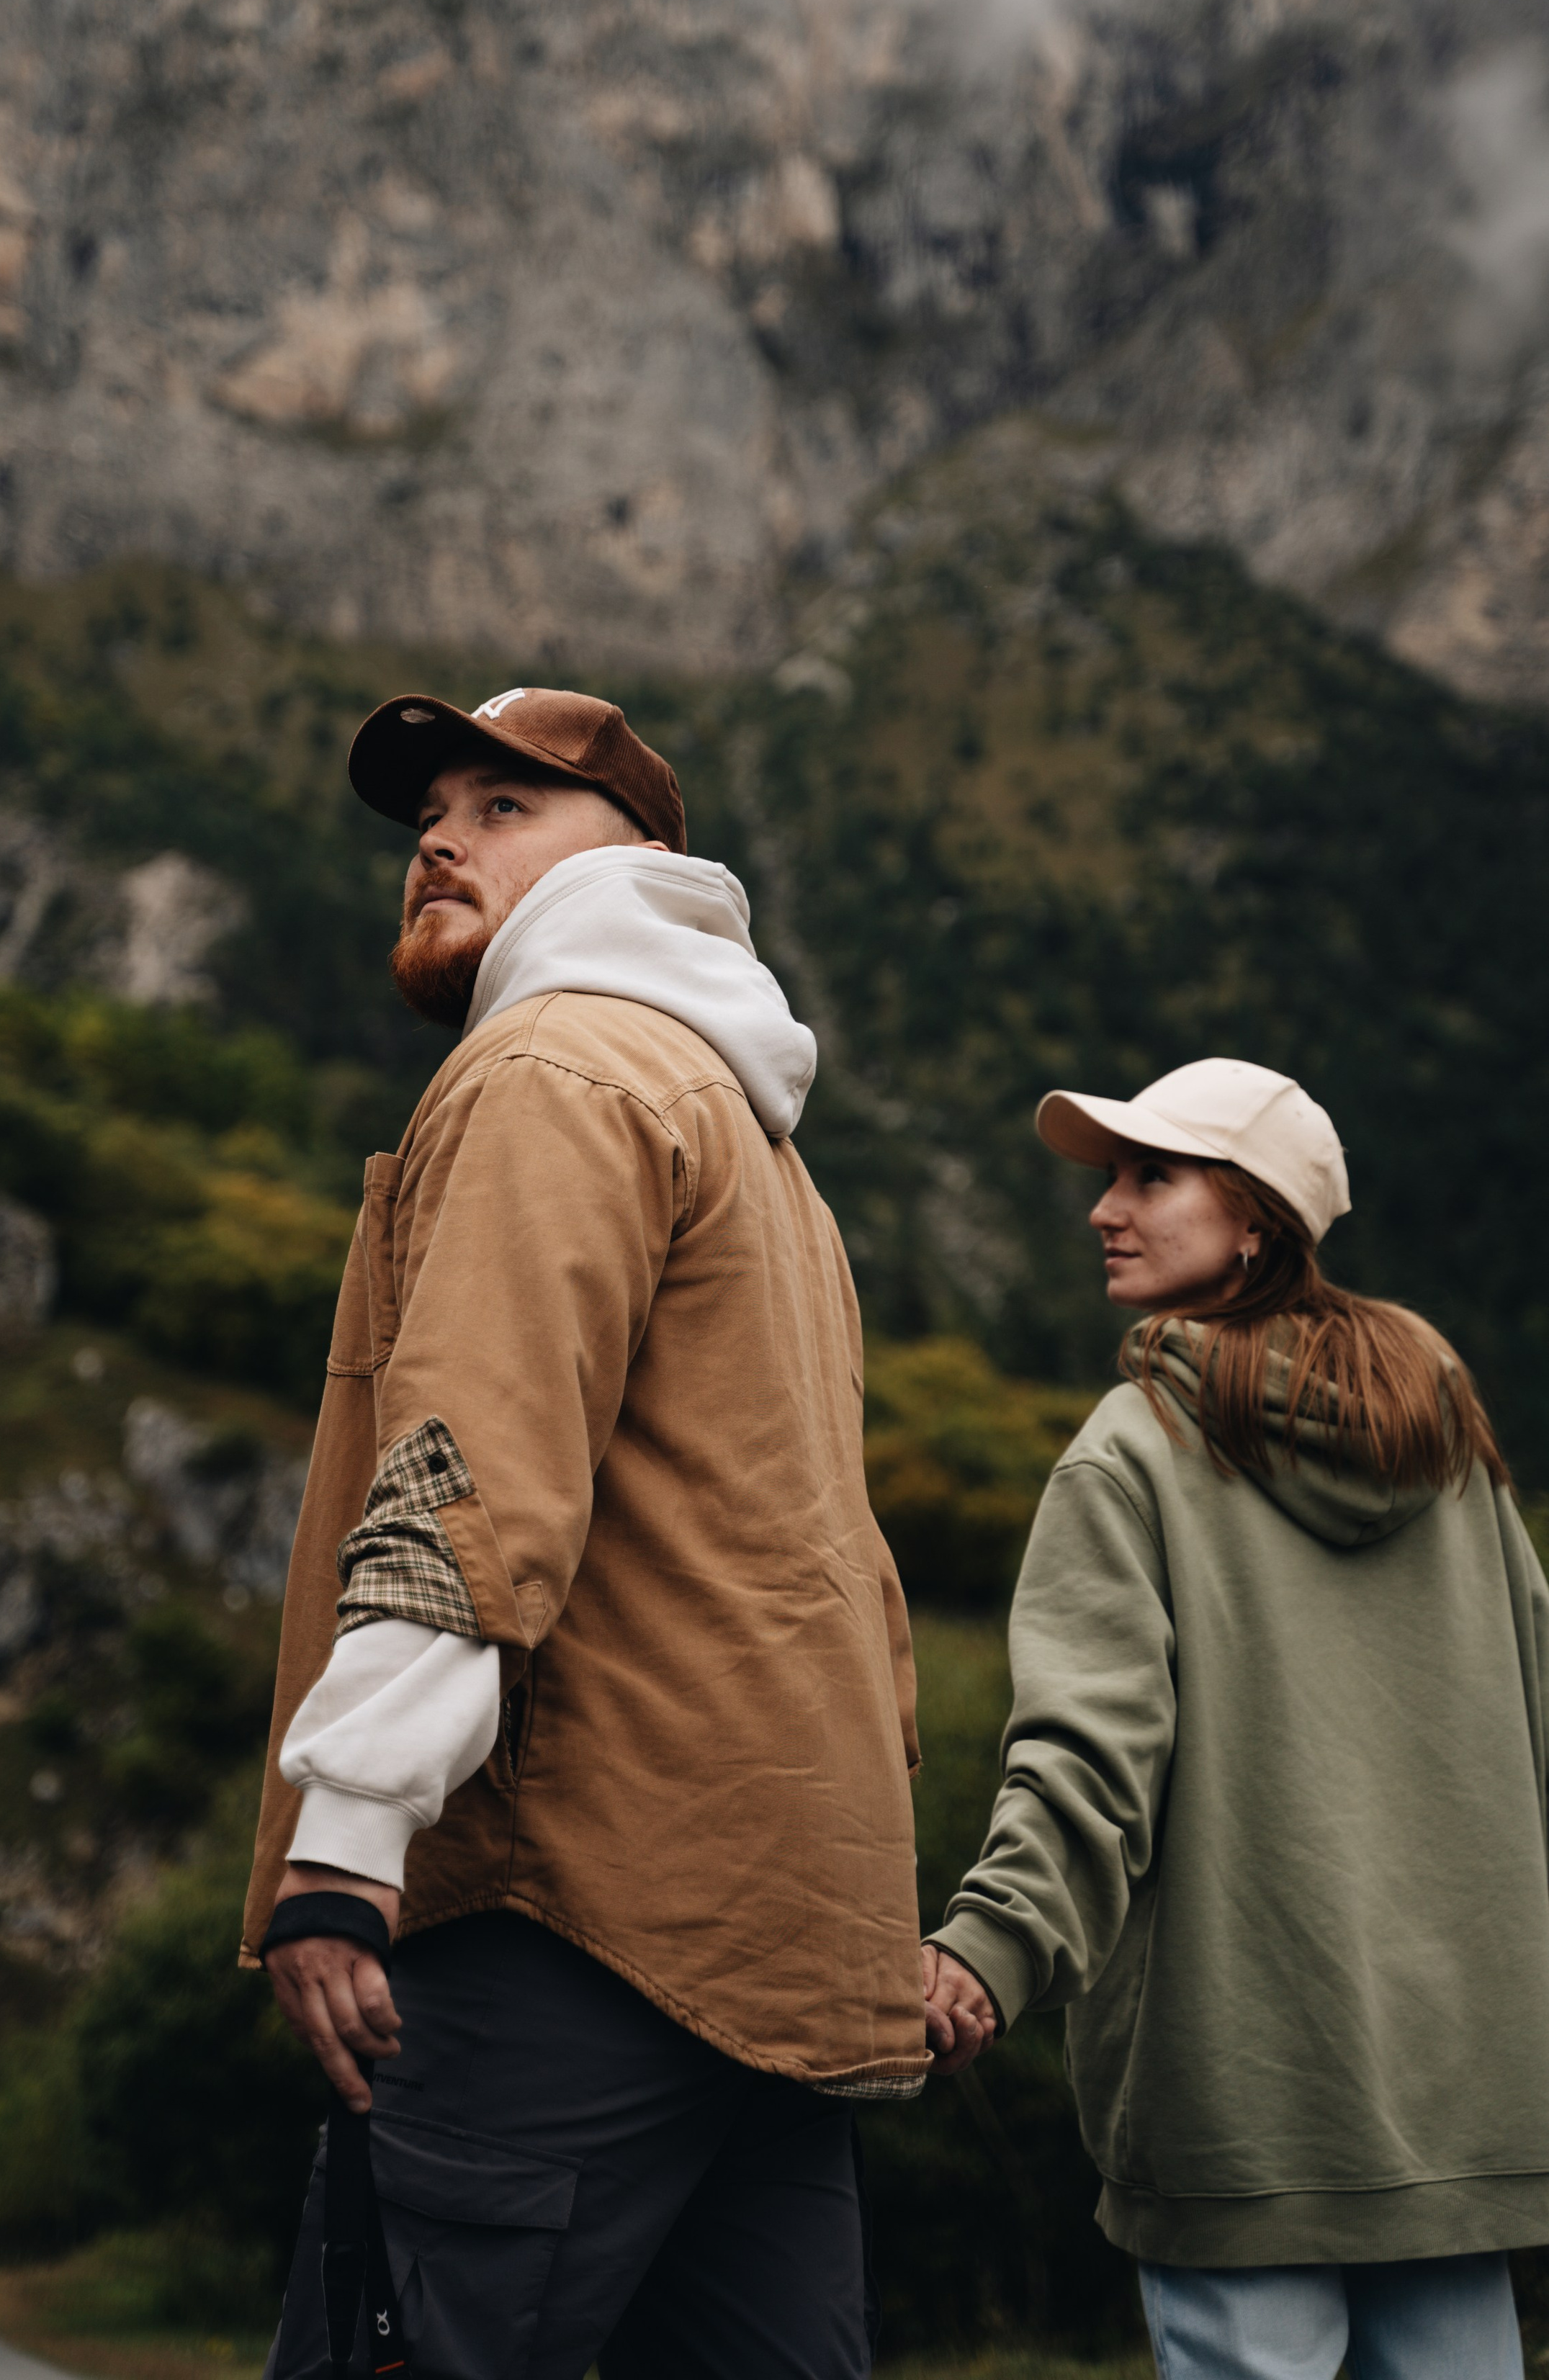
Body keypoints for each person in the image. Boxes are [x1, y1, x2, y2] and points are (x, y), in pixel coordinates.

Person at [241, 686, 926, 2379]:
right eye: (429, 818)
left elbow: (473, 1469)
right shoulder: (765, 1152)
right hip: (774, 1936)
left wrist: (348, 1833)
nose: (438, 841)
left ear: (640, 860)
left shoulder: (550, 1069)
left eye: (503, 806)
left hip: (572, 1912)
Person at [921, 1057, 1549, 2380]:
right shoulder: (1443, 1438)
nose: (1105, 1208)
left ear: (1257, 1215)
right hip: (1460, 2092)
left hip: (1242, 2097)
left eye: (1153, 1175)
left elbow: (1087, 1763)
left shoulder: (1132, 1450)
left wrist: (987, 1948)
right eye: (1108, 1177)